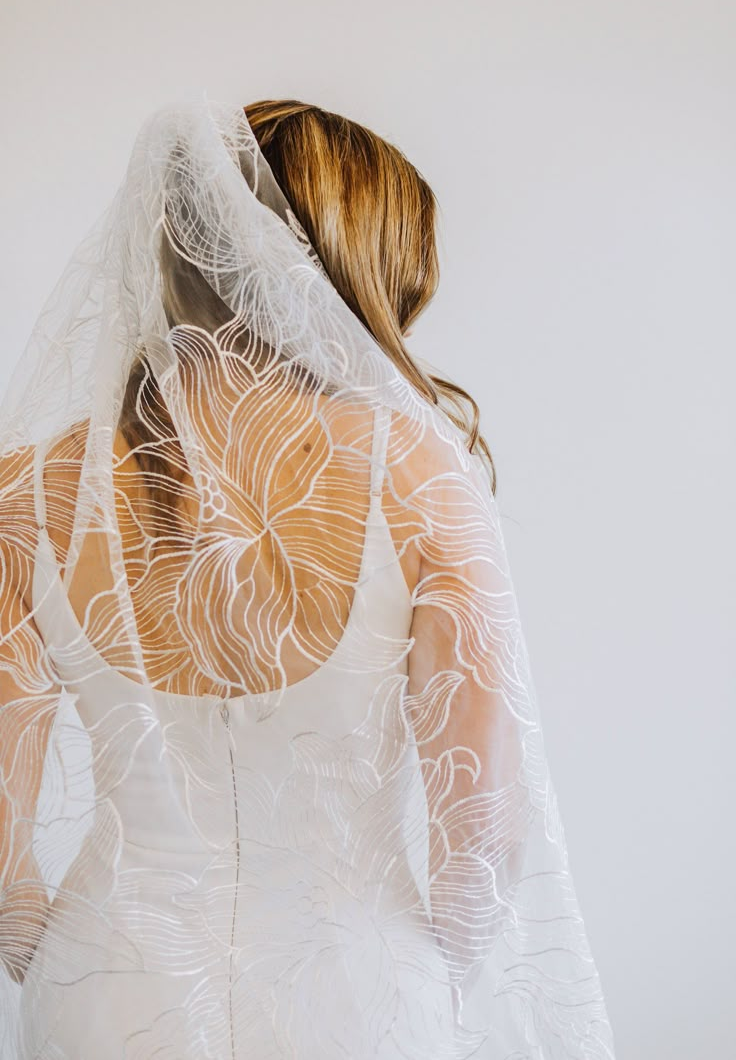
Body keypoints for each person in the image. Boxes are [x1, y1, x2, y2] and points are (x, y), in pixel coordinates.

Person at [0, 96, 616, 1058]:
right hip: (358, 994)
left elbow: (1, 851)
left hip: (106, 991)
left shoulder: (29, 491)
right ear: (349, 265)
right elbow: (482, 844)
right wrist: (400, 973)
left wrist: (67, 959)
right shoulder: (417, 477)